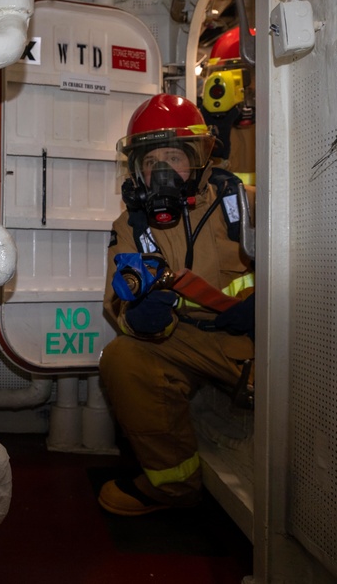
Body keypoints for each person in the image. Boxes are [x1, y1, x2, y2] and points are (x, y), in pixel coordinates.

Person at [98, 93, 255, 516]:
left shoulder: (243, 205)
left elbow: (306, 261)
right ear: (138, 170)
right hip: (183, 340)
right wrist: (143, 320)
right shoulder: (130, 225)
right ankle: (174, 486)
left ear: (198, 160)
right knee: (123, 358)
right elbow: (118, 301)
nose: (163, 172)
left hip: (253, 340)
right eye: (152, 162)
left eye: (173, 158)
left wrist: (269, 307)